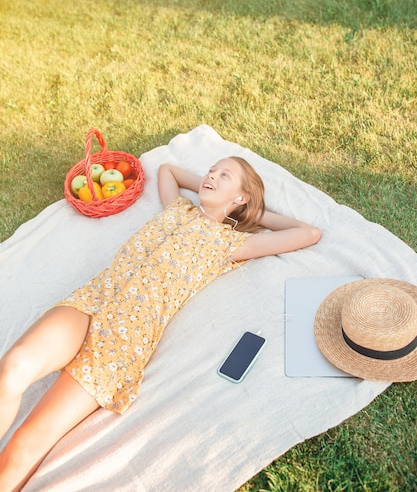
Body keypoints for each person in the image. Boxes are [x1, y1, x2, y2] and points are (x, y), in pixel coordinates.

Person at [0, 156, 321, 490]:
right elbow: (167, 170)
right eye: (211, 169)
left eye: (224, 176)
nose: (211, 175)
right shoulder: (175, 208)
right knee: (11, 367)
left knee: (30, 440)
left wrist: (245, 211)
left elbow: (309, 233)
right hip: (92, 300)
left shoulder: (232, 244)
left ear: (240, 197)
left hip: (125, 340)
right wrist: (214, 189)